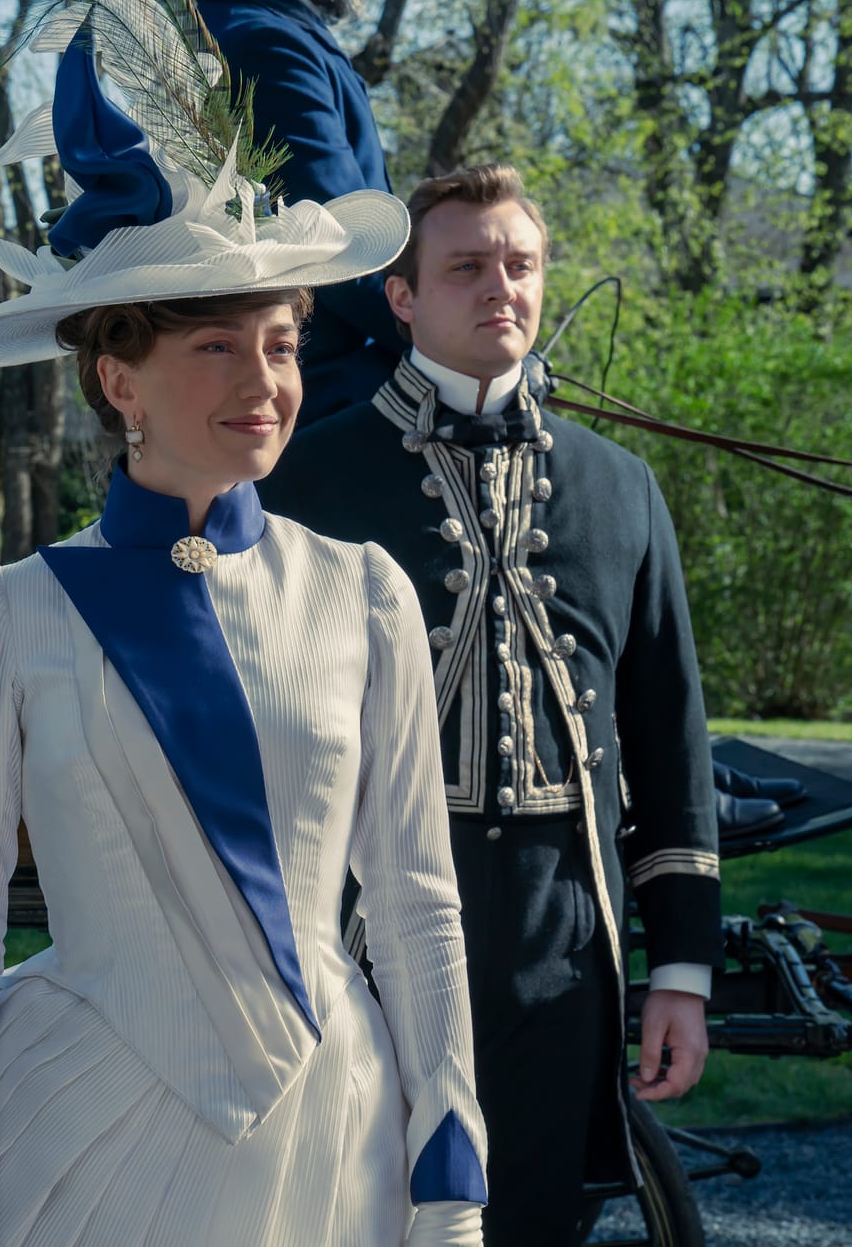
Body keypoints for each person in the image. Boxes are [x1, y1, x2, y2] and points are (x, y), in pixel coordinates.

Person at [0, 0, 485, 1245]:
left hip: (333, 1128)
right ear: (119, 376)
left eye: (282, 343)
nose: (266, 382)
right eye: (217, 348)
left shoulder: (364, 592)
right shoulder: (10, 611)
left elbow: (414, 900)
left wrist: (451, 1155)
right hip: (74, 1127)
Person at [260, 163, 721, 1245]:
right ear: (404, 297)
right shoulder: (304, 480)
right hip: (367, 923)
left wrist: (682, 973)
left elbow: (670, 743)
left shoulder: (622, 487)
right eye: (466, 267)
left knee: (532, 1220)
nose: (499, 287)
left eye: (519, 265)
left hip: (565, 934)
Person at [195, 0, 404, 419]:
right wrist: (462, 349)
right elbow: (343, 247)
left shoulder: (234, 23)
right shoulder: (268, 43)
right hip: (328, 409)